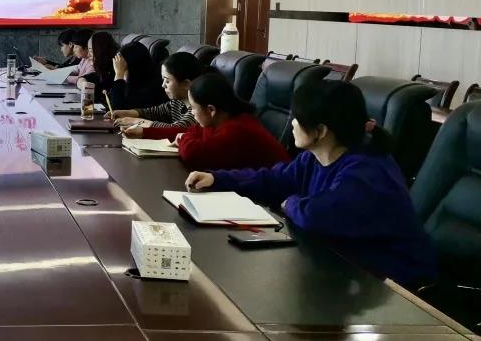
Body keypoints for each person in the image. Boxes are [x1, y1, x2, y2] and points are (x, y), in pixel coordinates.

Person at [185, 81, 437, 287]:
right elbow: (274, 179)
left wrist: (290, 203)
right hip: (343, 266)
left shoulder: (367, 170)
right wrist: (218, 178)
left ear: (321, 131)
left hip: (393, 285)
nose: (292, 123)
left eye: (297, 118)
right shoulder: (314, 157)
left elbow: (317, 214)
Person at [143, 72, 289, 171]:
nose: (192, 113)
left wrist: (183, 139)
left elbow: (193, 154)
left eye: (193, 108)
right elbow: (190, 131)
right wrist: (144, 132)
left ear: (210, 110)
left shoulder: (237, 129)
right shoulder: (221, 119)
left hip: (272, 198)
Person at [109, 52, 205, 136]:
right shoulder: (178, 102)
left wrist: (136, 121)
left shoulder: (198, 110)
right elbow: (155, 112)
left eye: (167, 81)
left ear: (186, 84)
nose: (163, 85)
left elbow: (174, 129)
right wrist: (126, 113)